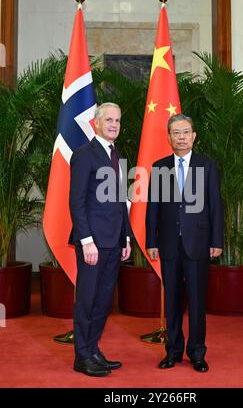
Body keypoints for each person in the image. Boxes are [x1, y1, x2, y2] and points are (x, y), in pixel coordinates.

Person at [146, 113, 224, 372]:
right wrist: (151, 240)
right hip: (168, 243)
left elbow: (215, 206)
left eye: (185, 132)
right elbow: (153, 208)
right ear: (169, 137)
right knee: (173, 301)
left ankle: (197, 352)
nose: (181, 137)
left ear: (194, 135)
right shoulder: (159, 167)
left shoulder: (207, 165)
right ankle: (174, 351)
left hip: (199, 242)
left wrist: (216, 240)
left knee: (198, 300)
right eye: (176, 133)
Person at [69, 102, 131, 377]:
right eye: (109, 120)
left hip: (114, 242)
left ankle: (93, 349)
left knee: (104, 301)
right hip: (92, 244)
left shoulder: (116, 154)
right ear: (96, 123)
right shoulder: (85, 155)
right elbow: (77, 202)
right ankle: (82, 356)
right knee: (87, 300)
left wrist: (126, 237)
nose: (114, 125)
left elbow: (121, 203)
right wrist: (86, 241)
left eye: (117, 120)